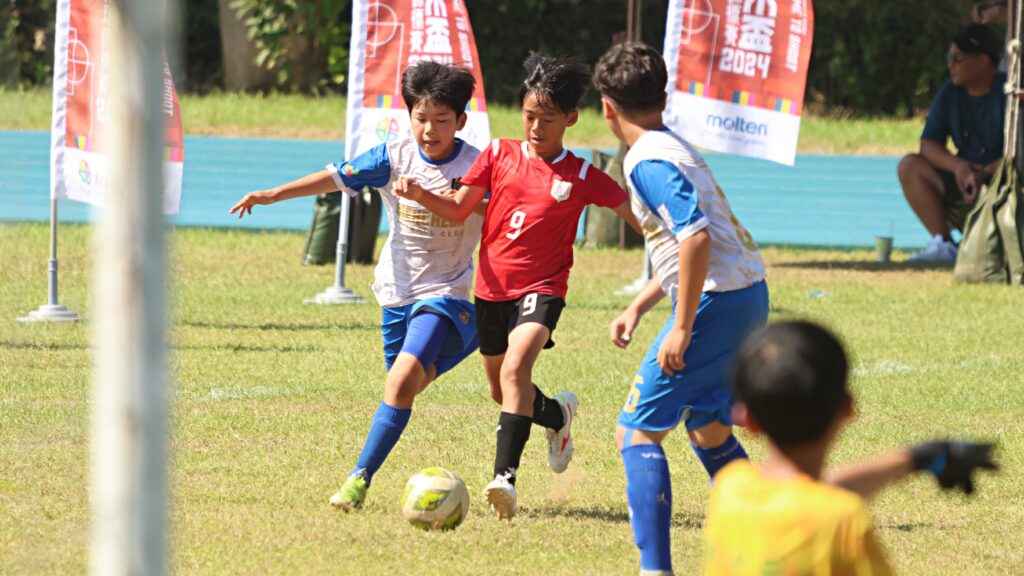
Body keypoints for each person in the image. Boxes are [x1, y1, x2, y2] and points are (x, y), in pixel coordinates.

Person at [229, 61, 484, 511]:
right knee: (404, 387)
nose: (429, 130)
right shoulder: (393, 155)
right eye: (421, 118)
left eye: (442, 120)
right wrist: (271, 194)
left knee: (401, 379)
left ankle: (357, 481)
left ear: (461, 121)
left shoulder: (478, 167)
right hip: (395, 290)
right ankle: (482, 340)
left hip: (445, 291)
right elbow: (337, 176)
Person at [394, 52, 640, 520]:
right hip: (490, 290)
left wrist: (677, 242)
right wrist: (423, 194)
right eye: (529, 115)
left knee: (514, 375)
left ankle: (503, 479)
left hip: (543, 288)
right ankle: (556, 415)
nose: (536, 127)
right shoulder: (498, 154)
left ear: (570, 119)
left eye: (548, 119)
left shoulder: (584, 175)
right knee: (503, 390)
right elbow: (460, 209)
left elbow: (633, 214)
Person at [593, 42, 769, 576]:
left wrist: (683, 326)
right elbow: (684, 244)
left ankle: (655, 570)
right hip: (746, 296)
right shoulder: (670, 146)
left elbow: (694, 238)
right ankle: (774, 539)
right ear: (662, 97)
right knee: (708, 427)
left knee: (636, 432)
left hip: (715, 303)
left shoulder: (645, 160)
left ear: (607, 107)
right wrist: (643, 304)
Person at [704, 320, 999, 575]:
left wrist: (915, 459)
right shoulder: (842, 523)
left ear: (748, 420)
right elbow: (820, 502)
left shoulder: (731, 487)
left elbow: (803, 495)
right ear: (847, 409)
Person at [898, 23, 1007, 263]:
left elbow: (1018, 153)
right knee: (910, 166)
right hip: (966, 185)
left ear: (982, 60)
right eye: (949, 57)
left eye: (957, 58)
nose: (950, 65)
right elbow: (928, 144)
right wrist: (958, 167)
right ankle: (945, 246)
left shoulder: (1009, 93)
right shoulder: (950, 92)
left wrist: (985, 174)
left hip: (1004, 187)